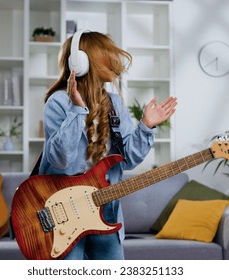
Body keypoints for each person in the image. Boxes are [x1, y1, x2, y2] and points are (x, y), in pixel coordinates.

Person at [38, 30, 177, 260]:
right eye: (106, 55)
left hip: (106, 212)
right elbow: (61, 159)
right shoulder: (59, 102)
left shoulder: (114, 103)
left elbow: (128, 160)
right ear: (79, 63)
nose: (115, 61)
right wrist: (76, 109)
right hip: (65, 215)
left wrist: (146, 126)